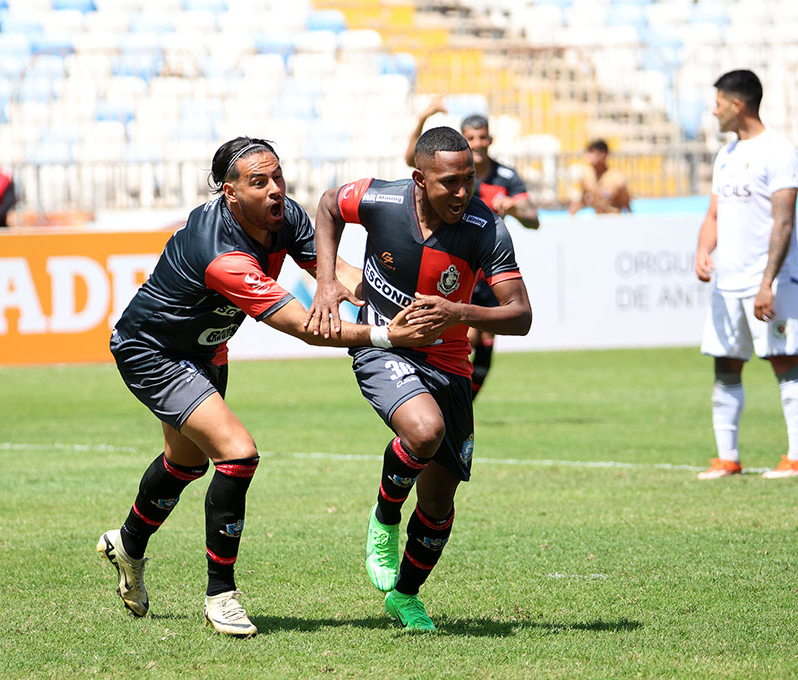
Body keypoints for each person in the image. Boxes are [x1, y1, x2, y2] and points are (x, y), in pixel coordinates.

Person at [96, 137, 438, 638]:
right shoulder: (221, 253)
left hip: (206, 351)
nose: (276, 189)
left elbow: (337, 274)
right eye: (260, 182)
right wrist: (388, 333)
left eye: (277, 176)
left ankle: (126, 545)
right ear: (229, 194)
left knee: (186, 464)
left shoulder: (286, 217)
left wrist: (391, 295)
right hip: (153, 351)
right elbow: (304, 323)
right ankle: (221, 596)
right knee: (238, 454)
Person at [307, 126, 533, 631]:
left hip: (450, 365)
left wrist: (459, 312)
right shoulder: (382, 199)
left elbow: (520, 315)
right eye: (449, 182)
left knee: (438, 502)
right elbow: (325, 205)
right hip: (384, 344)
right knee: (423, 431)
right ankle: (385, 519)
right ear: (418, 179)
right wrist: (326, 281)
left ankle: (405, 595)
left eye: (468, 179)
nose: (461, 192)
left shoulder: (486, 229)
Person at [694, 70, 798, 480]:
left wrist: (768, 283)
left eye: (718, 103)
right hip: (727, 283)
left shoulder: (778, 151)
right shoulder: (725, 155)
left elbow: (783, 223)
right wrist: (702, 249)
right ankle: (727, 458)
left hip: (769, 282)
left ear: (737, 104)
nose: (714, 111)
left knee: (784, 360)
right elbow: (714, 213)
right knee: (725, 365)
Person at [405, 96, 539, 398]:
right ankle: (441, 397)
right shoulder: (449, 175)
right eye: (471, 138)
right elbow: (411, 160)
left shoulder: (506, 177)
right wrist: (423, 118)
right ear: (463, 140)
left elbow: (534, 218)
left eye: (482, 137)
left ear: (490, 139)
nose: (477, 143)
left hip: (488, 271)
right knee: (470, 335)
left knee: (484, 341)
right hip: (457, 267)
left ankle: (461, 403)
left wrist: (515, 209)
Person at [567, 139, 631, 215]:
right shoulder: (586, 176)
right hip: (597, 221)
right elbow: (581, 200)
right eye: (588, 152)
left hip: (614, 221)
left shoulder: (617, 178)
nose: (588, 156)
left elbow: (626, 204)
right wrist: (571, 216)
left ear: (603, 155)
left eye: (592, 152)